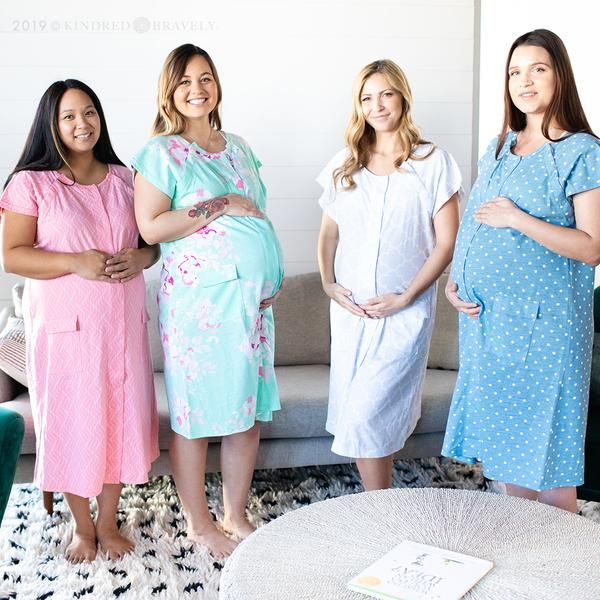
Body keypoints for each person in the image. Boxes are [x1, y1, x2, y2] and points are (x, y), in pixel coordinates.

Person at [132, 44, 284, 558]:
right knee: (197, 416)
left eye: (205, 79)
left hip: (253, 303)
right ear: (169, 92)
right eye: (185, 82)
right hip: (202, 306)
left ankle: (236, 514)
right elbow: (151, 226)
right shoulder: (161, 152)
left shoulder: (238, 146)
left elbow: (257, 213)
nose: (197, 90)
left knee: (247, 412)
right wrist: (218, 204)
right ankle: (199, 523)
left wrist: (272, 270)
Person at [0, 80, 159, 562]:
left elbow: (153, 241)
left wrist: (142, 258)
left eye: (89, 112)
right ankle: (81, 527)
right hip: (67, 331)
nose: (81, 123)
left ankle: (108, 523)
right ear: (51, 123)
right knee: (73, 421)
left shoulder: (125, 178)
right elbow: (12, 255)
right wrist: (75, 262)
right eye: (69, 116)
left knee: (118, 417)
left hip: (122, 326)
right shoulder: (31, 183)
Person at [442, 29, 600, 513]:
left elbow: (592, 248)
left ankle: (562, 571)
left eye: (538, 69)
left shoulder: (583, 151)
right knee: (509, 454)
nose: (524, 80)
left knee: (548, 458)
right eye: (515, 71)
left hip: (547, 328)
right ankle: (525, 556)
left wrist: (519, 219)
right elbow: (472, 221)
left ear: (560, 76)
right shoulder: (499, 146)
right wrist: (455, 279)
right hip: (490, 324)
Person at [317, 59, 461, 491]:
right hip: (351, 314)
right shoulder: (346, 164)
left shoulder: (432, 161)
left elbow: (446, 243)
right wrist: (328, 284)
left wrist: (406, 296)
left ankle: (377, 506)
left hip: (404, 313)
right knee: (367, 414)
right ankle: (379, 504)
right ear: (358, 107)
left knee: (369, 411)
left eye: (386, 94)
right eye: (367, 98)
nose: (377, 105)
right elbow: (328, 235)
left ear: (402, 96)